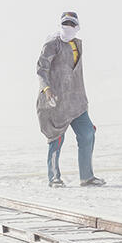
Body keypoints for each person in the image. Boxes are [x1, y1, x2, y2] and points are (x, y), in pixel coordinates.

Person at [36, 11, 106, 188]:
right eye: (65, 24)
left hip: (77, 101)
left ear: (77, 27)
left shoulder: (77, 44)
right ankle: (54, 177)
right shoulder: (52, 44)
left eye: (71, 24)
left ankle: (87, 177)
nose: (68, 27)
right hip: (56, 101)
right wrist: (47, 89)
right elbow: (41, 69)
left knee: (87, 133)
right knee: (56, 139)